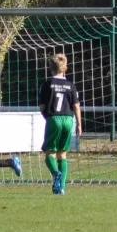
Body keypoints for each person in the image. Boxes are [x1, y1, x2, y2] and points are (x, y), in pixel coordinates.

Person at [39, 54, 82, 195]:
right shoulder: (71, 86)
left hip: (54, 119)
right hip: (68, 120)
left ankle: (56, 173)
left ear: (50, 68)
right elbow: (76, 106)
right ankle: (60, 187)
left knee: (49, 153)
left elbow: (42, 108)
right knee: (62, 154)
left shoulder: (47, 84)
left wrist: (49, 119)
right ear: (66, 68)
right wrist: (79, 124)